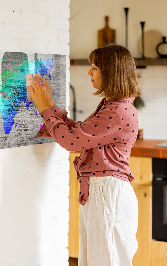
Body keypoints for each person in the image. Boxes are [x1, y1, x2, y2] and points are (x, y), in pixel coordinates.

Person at [28, 44, 140, 266]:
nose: (89, 72)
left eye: (95, 67)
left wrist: (43, 107)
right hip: (103, 193)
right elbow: (79, 133)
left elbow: (71, 141)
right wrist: (49, 103)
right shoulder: (113, 106)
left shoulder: (117, 111)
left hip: (108, 195)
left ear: (111, 72)